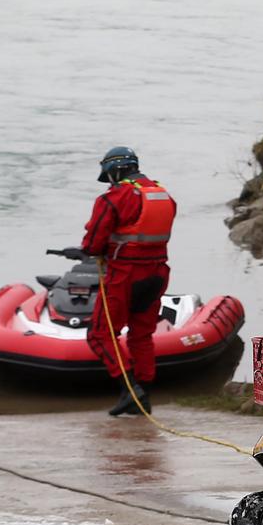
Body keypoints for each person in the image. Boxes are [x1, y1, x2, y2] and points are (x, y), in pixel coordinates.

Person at [78, 146, 176, 415]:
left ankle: (131, 390)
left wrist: (89, 250)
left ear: (115, 171)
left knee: (100, 334)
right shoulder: (163, 194)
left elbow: (93, 243)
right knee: (141, 336)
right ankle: (144, 396)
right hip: (157, 273)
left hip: (125, 275)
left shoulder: (113, 198)